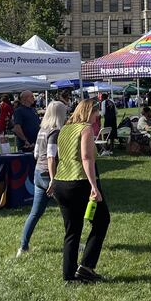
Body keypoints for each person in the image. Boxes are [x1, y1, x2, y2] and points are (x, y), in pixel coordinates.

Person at [52, 99, 110, 283]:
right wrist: (94, 186)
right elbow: (86, 157)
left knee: (72, 230)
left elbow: (60, 155)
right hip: (79, 181)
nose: (97, 117)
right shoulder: (85, 128)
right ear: (88, 112)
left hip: (61, 182)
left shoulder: (65, 128)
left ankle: (68, 275)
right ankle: (86, 267)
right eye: (95, 113)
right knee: (102, 220)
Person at [17, 100, 68, 256]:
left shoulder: (42, 130)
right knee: (68, 211)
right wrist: (53, 179)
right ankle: (73, 243)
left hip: (38, 173)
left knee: (35, 213)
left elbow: (36, 154)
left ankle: (23, 247)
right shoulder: (55, 131)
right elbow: (52, 157)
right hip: (49, 175)